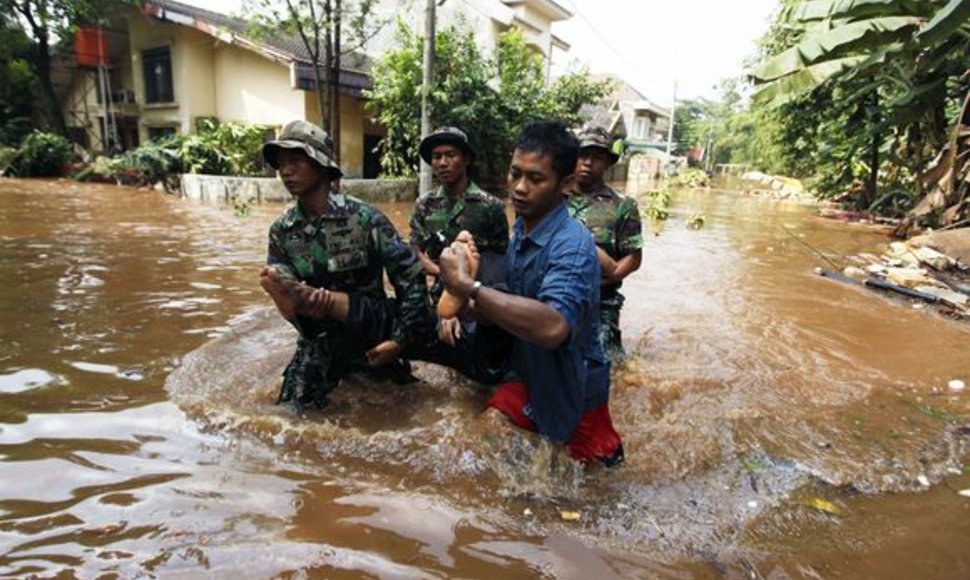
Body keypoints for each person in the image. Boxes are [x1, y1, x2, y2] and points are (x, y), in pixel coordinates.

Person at [438, 120, 624, 466]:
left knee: (593, 485)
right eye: (515, 174)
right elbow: (513, 304)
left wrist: (468, 287)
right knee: (485, 435)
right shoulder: (523, 228)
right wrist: (467, 302)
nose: (520, 188)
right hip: (531, 371)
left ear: (565, 185)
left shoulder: (572, 245)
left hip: (574, 387)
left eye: (535, 179)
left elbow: (553, 327)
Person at [258, 120, 432, 409]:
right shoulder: (283, 230)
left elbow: (411, 280)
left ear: (321, 164)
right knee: (289, 414)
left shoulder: (365, 219)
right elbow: (286, 285)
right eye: (281, 164)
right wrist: (286, 292)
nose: (285, 171)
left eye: (295, 161)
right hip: (320, 339)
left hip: (369, 331)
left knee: (409, 409)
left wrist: (400, 342)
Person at [567, 125, 643, 358]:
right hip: (553, 296)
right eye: (583, 155)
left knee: (607, 365)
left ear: (608, 164)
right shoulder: (551, 197)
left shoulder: (622, 206)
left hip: (602, 302)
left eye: (597, 157)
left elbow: (634, 255)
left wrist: (614, 274)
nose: (588, 162)